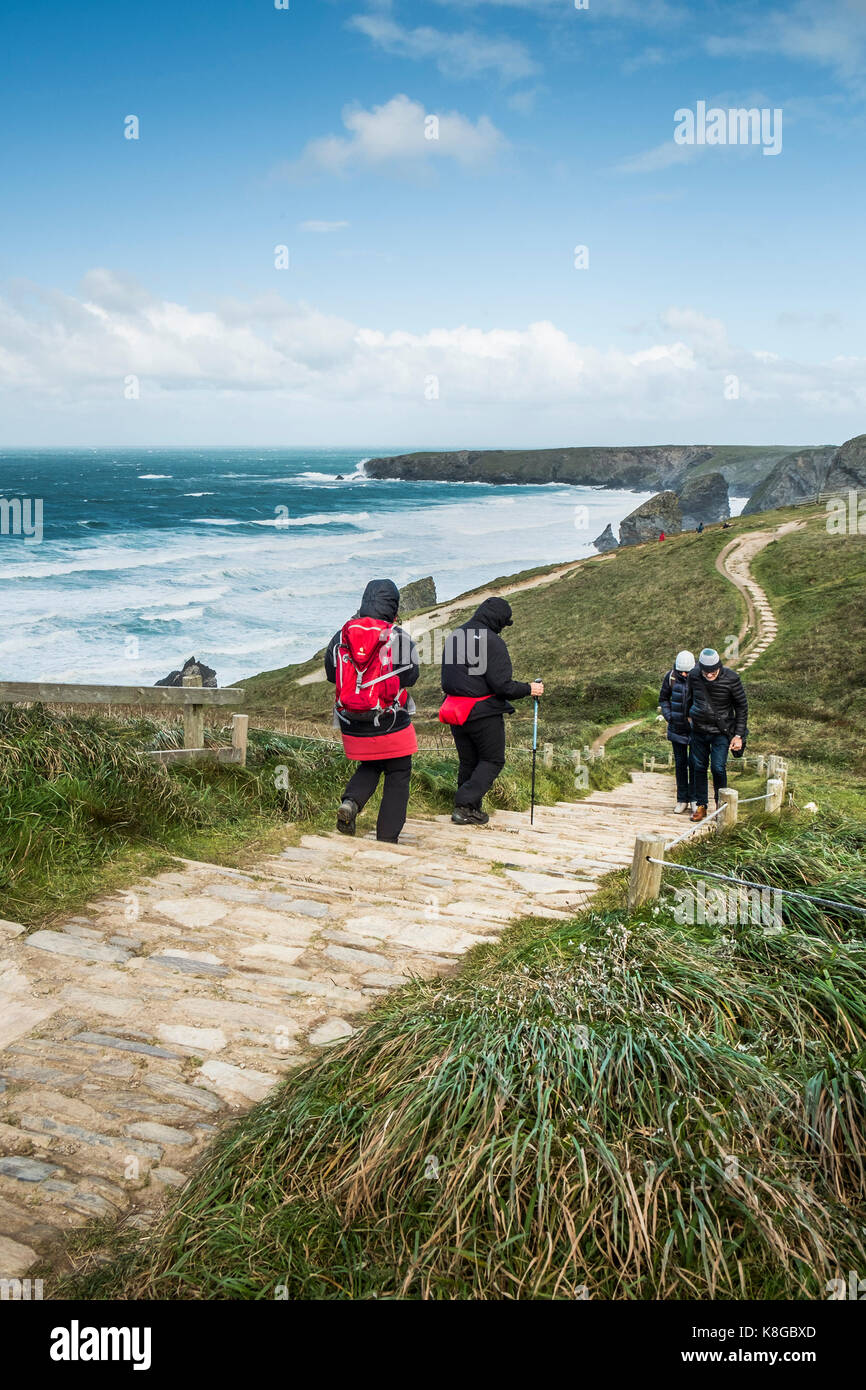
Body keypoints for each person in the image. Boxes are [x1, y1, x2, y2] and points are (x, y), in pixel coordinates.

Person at [324, 579, 420, 843]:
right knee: (398, 770)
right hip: (390, 720)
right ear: (393, 606)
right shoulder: (397, 636)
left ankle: (351, 802)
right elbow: (412, 676)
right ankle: (387, 839)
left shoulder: (343, 634)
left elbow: (332, 673)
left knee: (372, 762)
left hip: (351, 721)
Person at [440, 596, 543, 825]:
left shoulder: (456, 635)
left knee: (469, 762)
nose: (502, 629)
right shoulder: (492, 641)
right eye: (503, 624)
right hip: (482, 712)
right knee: (492, 760)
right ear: (498, 620)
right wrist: (530, 689)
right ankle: (464, 803)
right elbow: (503, 686)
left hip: (455, 711)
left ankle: (468, 810)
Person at [686, 647, 748, 822]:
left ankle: (721, 807)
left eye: (712, 671)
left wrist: (738, 735)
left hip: (721, 731)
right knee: (698, 767)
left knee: (717, 768)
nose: (709, 675)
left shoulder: (732, 678)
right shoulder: (694, 675)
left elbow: (742, 708)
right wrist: (688, 716)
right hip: (698, 730)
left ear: (719, 667)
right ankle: (701, 806)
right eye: (706, 672)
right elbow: (689, 697)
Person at [659, 650, 696, 814]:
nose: (683, 674)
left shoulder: (699, 679)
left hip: (696, 731)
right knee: (680, 765)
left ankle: (695, 799)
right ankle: (682, 800)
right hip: (676, 729)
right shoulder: (670, 677)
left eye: (687, 671)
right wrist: (669, 716)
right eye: (681, 670)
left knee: (696, 765)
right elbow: (663, 698)